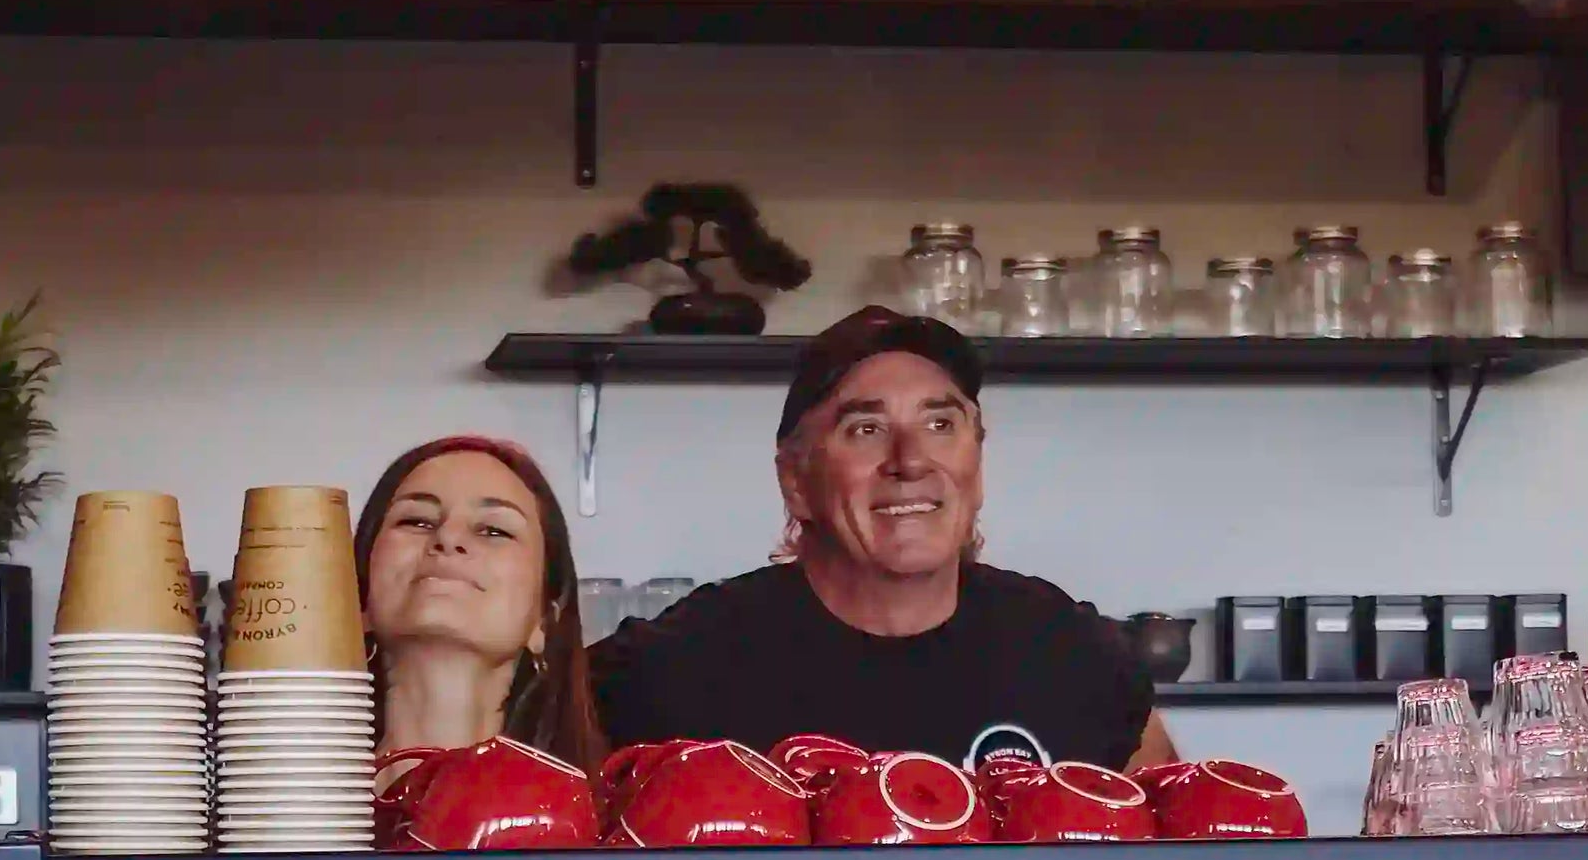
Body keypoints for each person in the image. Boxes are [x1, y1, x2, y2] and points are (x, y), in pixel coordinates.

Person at [593, 310, 1177, 772]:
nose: (910, 461)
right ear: (795, 482)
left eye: (940, 425)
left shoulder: (1073, 654)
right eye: (866, 429)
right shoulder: (676, 664)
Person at [355, 436, 602, 772]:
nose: (448, 538)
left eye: (493, 530)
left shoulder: (601, 818)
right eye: (416, 521)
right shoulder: (282, 802)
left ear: (544, 621)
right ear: (360, 602)